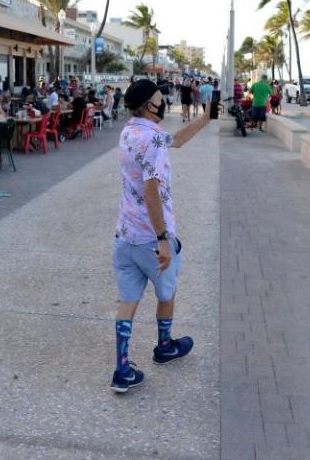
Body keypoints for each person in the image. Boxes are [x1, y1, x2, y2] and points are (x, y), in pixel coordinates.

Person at [109, 79, 211, 392]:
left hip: (124, 237)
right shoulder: (151, 139)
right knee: (166, 294)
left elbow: (175, 141)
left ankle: (122, 371)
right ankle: (164, 347)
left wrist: (206, 117)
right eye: (159, 98)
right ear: (148, 105)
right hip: (151, 239)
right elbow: (152, 190)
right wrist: (163, 238)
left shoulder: (131, 131)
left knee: (128, 301)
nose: (163, 102)